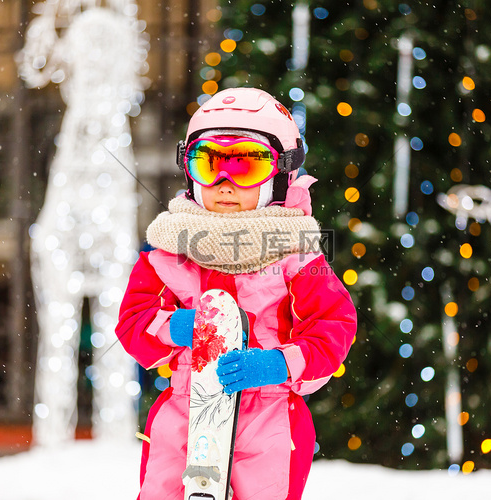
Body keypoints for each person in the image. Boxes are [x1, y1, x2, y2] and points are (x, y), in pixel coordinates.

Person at [116, 87, 357, 500]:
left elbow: (333, 326)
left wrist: (279, 364)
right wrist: (177, 326)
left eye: (245, 166)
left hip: (267, 416)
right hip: (185, 409)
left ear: (280, 174)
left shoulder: (297, 255)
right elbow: (133, 321)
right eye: (209, 164)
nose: (224, 184)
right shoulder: (171, 250)